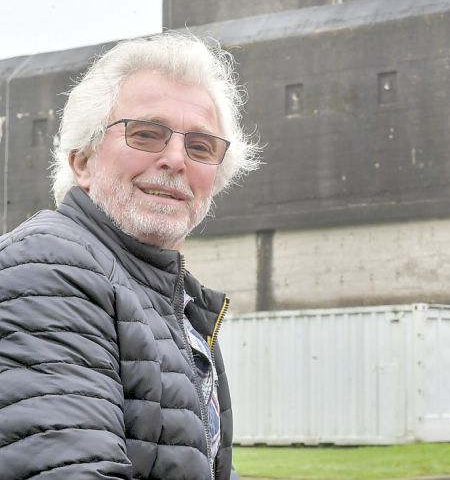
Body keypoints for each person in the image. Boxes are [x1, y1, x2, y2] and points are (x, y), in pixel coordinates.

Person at [0, 32, 260, 479]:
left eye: (200, 146)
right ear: (82, 161)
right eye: (146, 134)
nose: (176, 159)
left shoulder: (175, 301)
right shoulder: (49, 268)